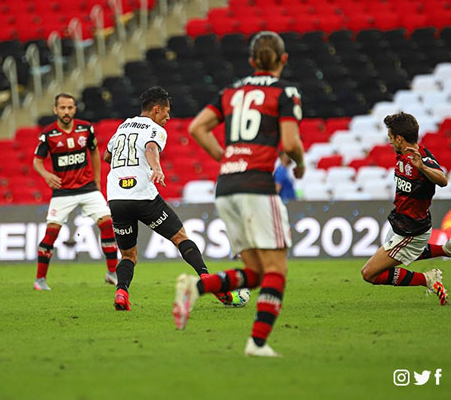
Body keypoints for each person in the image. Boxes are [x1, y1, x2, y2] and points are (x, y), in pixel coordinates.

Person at [176, 31, 305, 357]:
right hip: (258, 187)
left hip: (227, 187)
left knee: (255, 274)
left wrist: (227, 158)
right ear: (283, 59)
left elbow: (196, 128)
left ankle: (197, 286)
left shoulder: (231, 91)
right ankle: (257, 344)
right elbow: (290, 144)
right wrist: (300, 166)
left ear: (251, 61)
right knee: (276, 270)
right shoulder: (285, 92)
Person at [104, 86, 233, 311]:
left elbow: (107, 155)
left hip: (116, 197)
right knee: (180, 237)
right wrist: (156, 168)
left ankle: (121, 292)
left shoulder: (123, 126)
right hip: (142, 195)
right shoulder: (155, 129)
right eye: (166, 111)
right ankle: (207, 279)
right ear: (156, 109)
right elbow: (151, 148)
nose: (168, 117)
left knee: (128, 254)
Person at [359, 112, 451, 308]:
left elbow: (443, 180)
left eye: (391, 137)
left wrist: (422, 168)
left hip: (411, 229)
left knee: (369, 273)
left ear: (399, 138)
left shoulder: (422, 159)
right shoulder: (402, 153)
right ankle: (447, 249)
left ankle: (427, 279)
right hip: (402, 222)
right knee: (403, 256)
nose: (390, 142)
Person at [32, 93, 118, 290]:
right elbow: (37, 161)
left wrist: (96, 180)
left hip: (88, 187)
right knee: (51, 233)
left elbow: (95, 152)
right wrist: (46, 175)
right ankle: (40, 280)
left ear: (75, 109)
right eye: (62, 108)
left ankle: (112, 273)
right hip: (63, 191)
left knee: (107, 223)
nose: (66, 112)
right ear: (55, 110)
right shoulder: (48, 134)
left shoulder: (86, 129)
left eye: (70, 108)